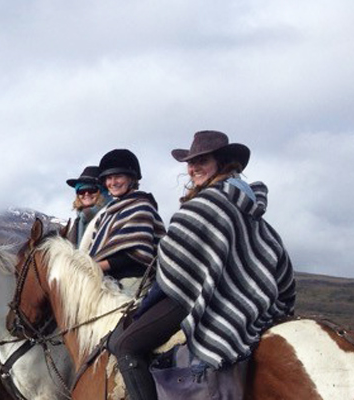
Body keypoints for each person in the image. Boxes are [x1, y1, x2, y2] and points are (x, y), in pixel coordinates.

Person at [107, 130, 296, 400]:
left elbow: (176, 271)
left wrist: (144, 309)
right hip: (234, 293)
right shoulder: (241, 201)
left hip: (197, 295)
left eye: (202, 161)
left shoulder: (210, 202)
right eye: (190, 162)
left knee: (126, 345)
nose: (193, 168)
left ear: (221, 162)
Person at [82, 149, 165, 294]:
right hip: (105, 278)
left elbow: (134, 255)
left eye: (118, 176)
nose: (112, 182)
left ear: (132, 179)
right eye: (108, 178)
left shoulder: (141, 207)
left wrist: (93, 266)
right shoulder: (106, 214)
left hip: (132, 281)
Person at [60, 165, 111, 247]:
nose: (86, 194)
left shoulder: (109, 215)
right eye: (81, 191)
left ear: (102, 192)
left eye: (91, 189)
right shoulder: (76, 222)